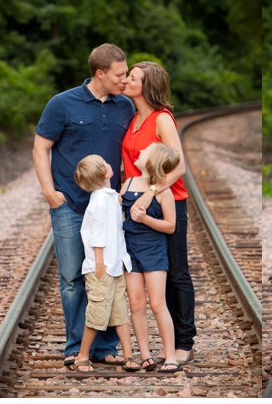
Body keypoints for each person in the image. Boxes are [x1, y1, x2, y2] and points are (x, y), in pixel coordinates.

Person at [33, 43, 135, 366]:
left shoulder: (126, 108)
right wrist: (50, 193)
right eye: (120, 74)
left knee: (109, 274)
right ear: (100, 73)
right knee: (73, 280)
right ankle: (76, 347)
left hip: (108, 209)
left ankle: (104, 348)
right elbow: (40, 147)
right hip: (70, 206)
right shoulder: (61, 104)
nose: (125, 79)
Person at [120, 61, 194, 365]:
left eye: (132, 77)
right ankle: (157, 349)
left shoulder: (162, 119)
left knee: (176, 271)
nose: (125, 80)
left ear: (146, 86)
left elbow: (179, 165)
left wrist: (151, 191)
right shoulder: (134, 118)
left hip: (167, 200)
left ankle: (184, 342)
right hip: (136, 201)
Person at [71, 155, 137, 373]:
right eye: (105, 162)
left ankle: (128, 355)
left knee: (119, 312)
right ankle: (82, 356)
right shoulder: (99, 200)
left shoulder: (109, 197)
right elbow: (97, 234)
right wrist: (99, 263)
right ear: (105, 173)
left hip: (114, 266)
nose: (110, 163)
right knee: (97, 312)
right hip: (102, 267)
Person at [122, 143, 182, 373]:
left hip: (153, 249)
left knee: (157, 304)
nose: (140, 151)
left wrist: (145, 219)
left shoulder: (163, 192)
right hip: (130, 251)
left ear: (153, 161)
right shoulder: (128, 183)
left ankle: (170, 356)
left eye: (145, 151)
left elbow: (170, 226)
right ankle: (145, 354)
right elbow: (116, 209)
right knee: (136, 303)